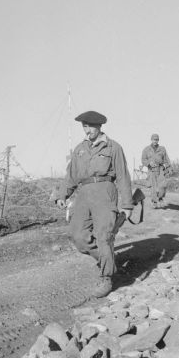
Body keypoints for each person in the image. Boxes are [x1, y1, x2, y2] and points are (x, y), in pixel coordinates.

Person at [55, 111, 133, 298]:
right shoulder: (80, 149)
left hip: (105, 191)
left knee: (103, 236)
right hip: (84, 193)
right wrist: (63, 194)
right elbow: (71, 174)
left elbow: (122, 176)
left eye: (89, 126)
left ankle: (106, 277)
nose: (86, 130)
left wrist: (127, 205)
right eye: (84, 126)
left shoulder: (113, 147)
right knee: (77, 236)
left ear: (99, 127)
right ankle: (108, 261)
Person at [141, 133, 171, 209]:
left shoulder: (162, 149)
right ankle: (154, 202)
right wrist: (148, 163)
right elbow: (143, 160)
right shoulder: (146, 149)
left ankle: (160, 198)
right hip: (151, 170)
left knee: (163, 185)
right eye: (154, 139)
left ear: (158, 140)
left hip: (160, 169)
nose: (155, 141)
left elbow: (166, 159)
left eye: (157, 139)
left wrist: (168, 168)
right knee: (153, 187)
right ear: (151, 140)